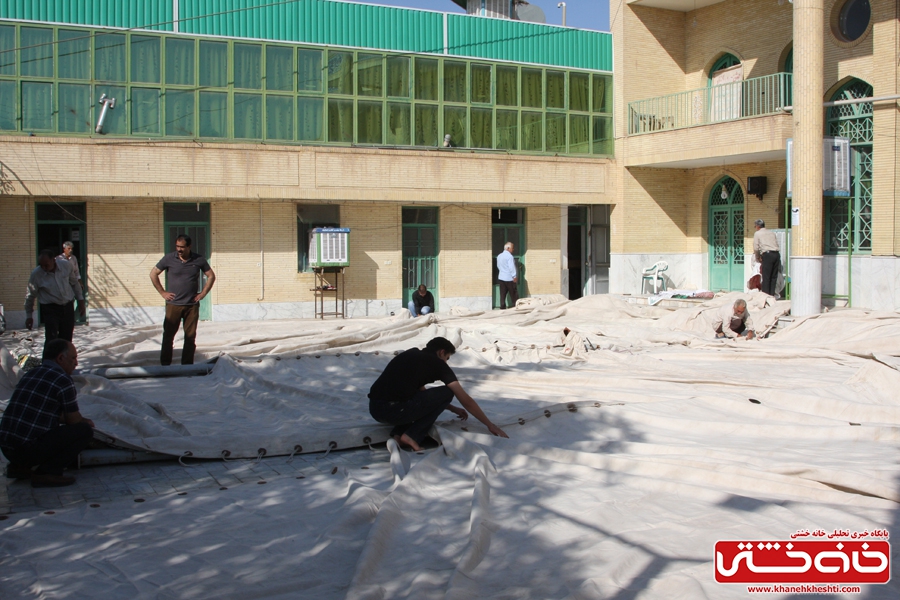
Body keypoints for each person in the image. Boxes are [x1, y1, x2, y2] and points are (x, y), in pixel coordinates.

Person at [368, 337, 508, 451]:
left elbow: (419, 390)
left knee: (413, 398)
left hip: (375, 410)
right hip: (395, 411)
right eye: (447, 358)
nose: (446, 362)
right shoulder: (438, 365)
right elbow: (466, 400)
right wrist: (490, 425)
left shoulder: (410, 353)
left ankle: (398, 434)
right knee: (447, 392)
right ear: (441, 352)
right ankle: (411, 435)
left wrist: (451, 408)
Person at [0, 339, 94, 487]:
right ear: (60, 358)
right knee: (84, 431)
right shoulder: (63, 379)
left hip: (6, 447)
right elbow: (73, 420)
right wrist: (86, 422)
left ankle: (18, 467)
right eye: (73, 358)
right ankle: (47, 472)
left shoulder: (32, 373)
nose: (76, 363)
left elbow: (41, 411)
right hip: (27, 450)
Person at [150, 235, 216, 366]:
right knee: (168, 336)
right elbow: (153, 274)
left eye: (182, 247)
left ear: (189, 247)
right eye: (177, 246)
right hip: (173, 305)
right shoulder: (169, 258)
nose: (179, 249)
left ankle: (187, 365)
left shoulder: (198, 260)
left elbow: (211, 276)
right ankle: (165, 365)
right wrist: (163, 292)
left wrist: (202, 294)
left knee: (190, 337)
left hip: (191, 306)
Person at [25, 249, 85, 355]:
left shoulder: (66, 266)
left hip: (67, 306)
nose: (44, 268)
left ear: (54, 260)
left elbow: (74, 283)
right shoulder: (37, 274)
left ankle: (64, 365)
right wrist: (29, 315)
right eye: (41, 265)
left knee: (66, 338)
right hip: (50, 308)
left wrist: (80, 300)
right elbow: (30, 295)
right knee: (51, 338)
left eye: (46, 265)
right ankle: (48, 363)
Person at [753, 219, 781, 296]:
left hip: (767, 255)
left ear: (758, 226)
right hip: (776, 254)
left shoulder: (757, 233)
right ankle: (772, 295)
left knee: (766, 277)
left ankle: (765, 296)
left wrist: (758, 257)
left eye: (755, 226)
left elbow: (756, 248)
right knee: (773, 277)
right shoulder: (771, 233)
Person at [496, 241, 519, 310]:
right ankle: (516, 307)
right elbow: (511, 267)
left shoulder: (499, 256)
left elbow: (498, 266)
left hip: (501, 277)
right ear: (508, 248)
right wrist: (514, 276)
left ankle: (502, 307)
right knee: (514, 294)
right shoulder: (509, 256)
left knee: (502, 294)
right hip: (509, 278)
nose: (513, 249)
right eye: (512, 248)